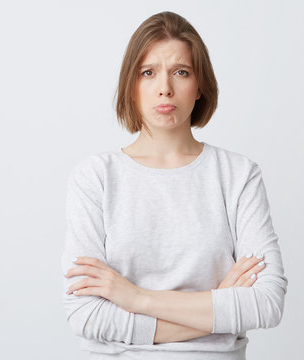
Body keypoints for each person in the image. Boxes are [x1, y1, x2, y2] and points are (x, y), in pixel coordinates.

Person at [61, 11, 288, 360]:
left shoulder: (238, 175)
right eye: (148, 73)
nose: (164, 87)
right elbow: (86, 314)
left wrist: (136, 298)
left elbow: (266, 303)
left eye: (181, 72)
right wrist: (218, 309)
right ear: (131, 86)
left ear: (199, 86)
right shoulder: (95, 178)